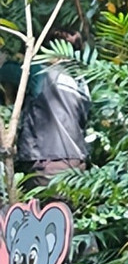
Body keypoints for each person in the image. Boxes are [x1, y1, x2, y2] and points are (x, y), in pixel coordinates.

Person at [0, 30, 90, 191]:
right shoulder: (82, 82)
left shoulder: (41, 73)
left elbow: (6, 71)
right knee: (67, 213)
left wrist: (7, 58)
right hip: (77, 162)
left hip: (46, 162)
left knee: (42, 214)